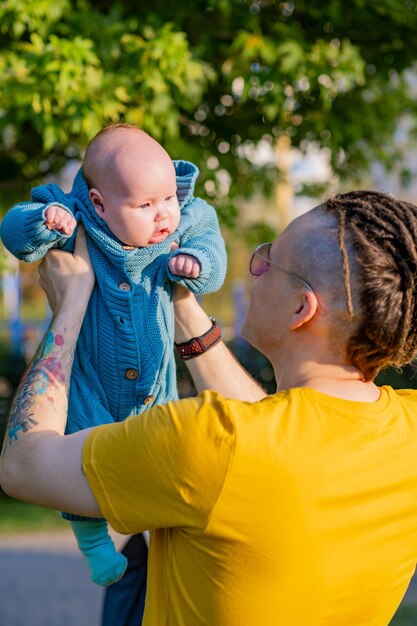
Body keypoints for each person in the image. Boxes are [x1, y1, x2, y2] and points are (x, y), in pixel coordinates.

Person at [2, 191, 417, 626]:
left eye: (268, 260)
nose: (255, 270)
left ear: (302, 308)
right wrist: (178, 303)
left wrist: (70, 303)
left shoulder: (207, 439)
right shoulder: (404, 433)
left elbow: (23, 465)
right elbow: (274, 437)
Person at [0, 123, 226, 588]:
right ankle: (93, 542)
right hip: (87, 382)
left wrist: (197, 264)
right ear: (100, 203)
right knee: (80, 451)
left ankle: (162, 535)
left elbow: (213, 251)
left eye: (167, 197)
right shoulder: (73, 216)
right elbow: (14, 231)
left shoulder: (186, 216)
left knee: (164, 457)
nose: (163, 214)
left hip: (154, 389)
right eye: (145, 205)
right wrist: (45, 224)